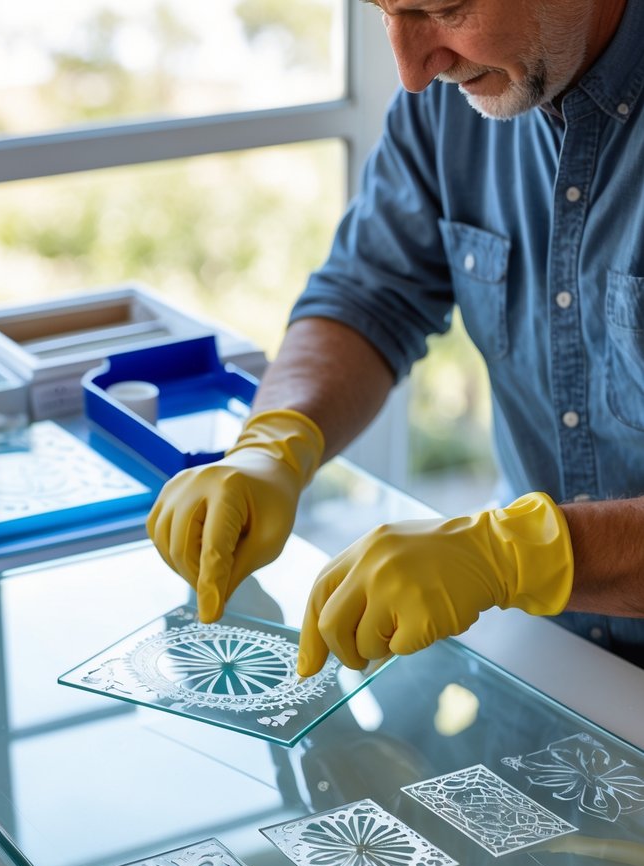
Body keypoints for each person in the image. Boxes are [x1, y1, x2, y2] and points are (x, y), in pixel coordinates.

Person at [148, 0, 644, 673]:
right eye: (383, 11)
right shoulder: (461, 90)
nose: (412, 70)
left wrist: (515, 555)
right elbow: (368, 292)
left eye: (442, 9)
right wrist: (273, 441)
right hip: (545, 651)